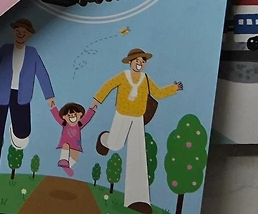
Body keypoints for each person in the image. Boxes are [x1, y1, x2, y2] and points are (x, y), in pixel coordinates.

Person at [92, 48, 183, 214]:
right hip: (122, 115)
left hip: (138, 117)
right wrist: (97, 100)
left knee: (138, 154)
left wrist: (174, 88)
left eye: (143, 61)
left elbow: (158, 93)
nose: (140, 63)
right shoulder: (123, 76)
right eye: (137, 60)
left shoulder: (146, 79)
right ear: (130, 62)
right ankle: (104, 139)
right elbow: (108, 85)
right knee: (115, 144)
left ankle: (137, 199)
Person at [0, 19, 55, 187]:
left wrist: (49, 96)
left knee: (22, 132)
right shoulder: (5, 49)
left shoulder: (32, 53)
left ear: (29, 35)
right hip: (2, 94)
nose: (20, 34)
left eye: (24, 32)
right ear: (14, 32)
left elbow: (42, 74)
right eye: (18, 31)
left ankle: (18, 133)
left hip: (23, 96)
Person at [50, 101, 97, 176]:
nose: (72, 116)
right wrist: (53, 107)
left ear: (80, 114)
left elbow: (87, 118)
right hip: (66, 141)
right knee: (66, 145)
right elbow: (57, 116)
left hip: (75, 144)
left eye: (75, 114)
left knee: (75, 158)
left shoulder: (80, 124)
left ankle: (68, 166)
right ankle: (63, 160)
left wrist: (92, 110)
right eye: (69, 115)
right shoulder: (64, 124)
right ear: (64, 117)